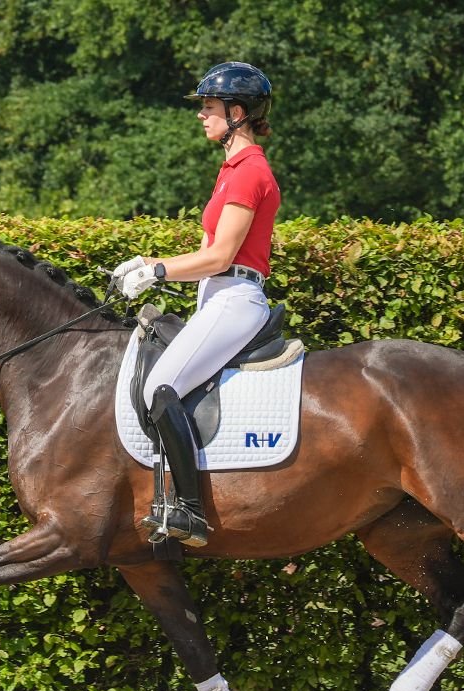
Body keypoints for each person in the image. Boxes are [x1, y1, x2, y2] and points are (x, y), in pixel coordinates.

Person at [113, 61, 281, 548]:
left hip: (235, 296)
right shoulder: (230, 170)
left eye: (208, 108)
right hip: (217, 296)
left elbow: (220, 256)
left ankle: (188, 509)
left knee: (162, 383)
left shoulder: (250, 172)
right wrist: (149, 260)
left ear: (237, 112)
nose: (201, 116)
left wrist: (157, 270)